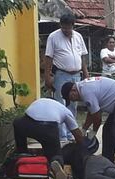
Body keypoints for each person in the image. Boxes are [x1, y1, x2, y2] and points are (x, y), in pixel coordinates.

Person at [61, 76, 115, 177]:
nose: (73, 101)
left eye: (71, 98)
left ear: (73, 90)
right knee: (107, 131)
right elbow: (91, 111)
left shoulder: (86, 92)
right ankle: (108, 165)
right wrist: (84, 130)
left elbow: (97, 117)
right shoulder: (83, 87)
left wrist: (93, 133)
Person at [13, 98, 85, 179]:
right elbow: (77, 134)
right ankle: (57, 163)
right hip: (49, 128)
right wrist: (80, 144)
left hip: (28, 124)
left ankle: (22, 153)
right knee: (55, 153)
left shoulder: (39, 101)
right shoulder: (64, 110)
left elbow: (27, 114)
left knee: (17, 123)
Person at [44, 12, 89, 141]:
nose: (66, 30)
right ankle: (62, 135)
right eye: (64, 28)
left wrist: (85, 73)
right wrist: (47, 76)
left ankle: (71, 133)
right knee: (60, 104)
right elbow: (48, 57)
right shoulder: (53, 37)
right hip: (61, 74)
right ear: (61, 25)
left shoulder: (78, 36)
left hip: (76, 75)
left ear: (73, 25)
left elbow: (82, 56)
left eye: (69, 28)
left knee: (73, 105)